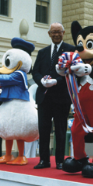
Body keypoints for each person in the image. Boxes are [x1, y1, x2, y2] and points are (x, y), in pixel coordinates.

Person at [32, 22, 75, 169]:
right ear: (49, 34)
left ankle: (60, 161)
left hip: (61, 98)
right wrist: (41, 81)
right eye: (53, 32)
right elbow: (35, 71)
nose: (56, 34)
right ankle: (44, 160)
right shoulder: (42, 52)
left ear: (63, 33)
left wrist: (57, 81)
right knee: (43, 130)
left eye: (59, 32)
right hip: (44, 97)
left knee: (61, 130)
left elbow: (72, 72)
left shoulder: (70, 50)